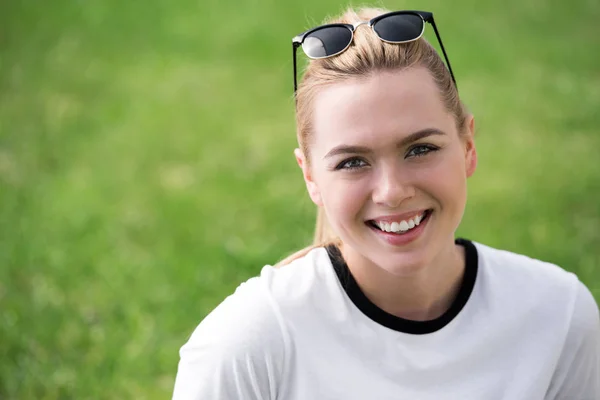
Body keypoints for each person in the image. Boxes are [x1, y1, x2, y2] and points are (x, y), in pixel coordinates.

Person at [172, 7, 600, 399]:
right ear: (310, 176)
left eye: (420, 149)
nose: (392, 191)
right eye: (352, 161)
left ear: (468, 145)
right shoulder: (250, 343)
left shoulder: (558, 316)